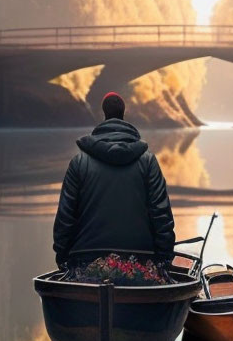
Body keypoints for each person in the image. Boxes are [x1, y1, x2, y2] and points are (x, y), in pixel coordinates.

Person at [53, 92, 175, 277]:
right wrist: (163, 261)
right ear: (123, 113)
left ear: (103, 114)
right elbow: (161, 214)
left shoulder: (79, 163)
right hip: (140, 262)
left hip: (86, 262)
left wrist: (63, 259)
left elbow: (65, 217)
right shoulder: (148, 162)